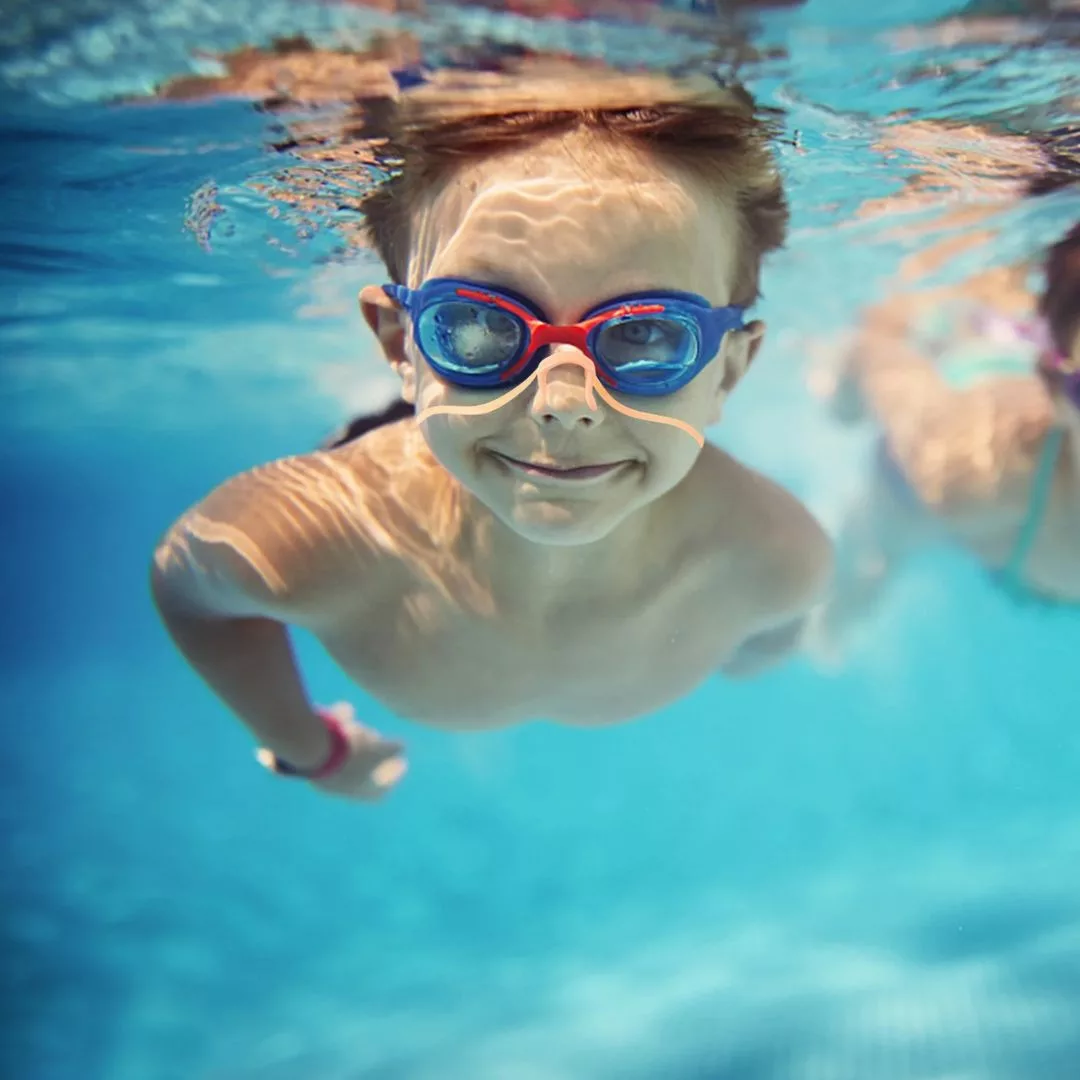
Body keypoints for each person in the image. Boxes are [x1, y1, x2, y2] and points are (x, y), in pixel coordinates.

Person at [150, 68, 832, 801]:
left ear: (729, 371)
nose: (563, 404)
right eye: (476, 324)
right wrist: (307, 749)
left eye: (646, 336)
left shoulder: (774, 560)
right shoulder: (309, 539)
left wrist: (752, 644)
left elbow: (772, 635)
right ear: (398, 346)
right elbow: (188, 591)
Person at [811, 213, 1080, 657]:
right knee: (857, 584)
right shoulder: (969, 471)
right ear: (1056, 392)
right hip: (921, 469)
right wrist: (846, 396)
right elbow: (881, 342)